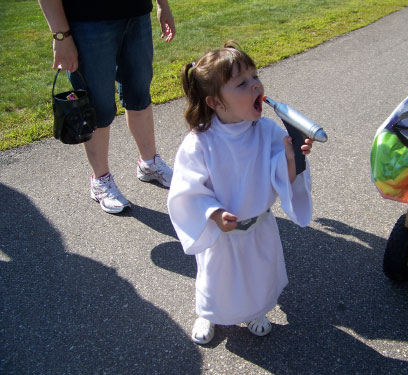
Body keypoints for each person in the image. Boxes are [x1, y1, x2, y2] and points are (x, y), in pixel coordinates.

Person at [167, 42, 314, 345]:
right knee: (216, 280)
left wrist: (291, 157)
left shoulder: (269, 132)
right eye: (242, 83)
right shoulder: (200, 144)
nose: (256, 85)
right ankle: (208, 312)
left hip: (259, 227)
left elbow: (282, 181)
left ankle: (255, 310)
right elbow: (188, 190)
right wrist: (214, 214)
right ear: (216, 102)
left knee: (259, 276)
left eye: (255, 76)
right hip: (222, 234)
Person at [38, 0, 176, 214]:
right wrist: (60, 35)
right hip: (88, 21)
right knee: (97, 106)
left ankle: (149, 164)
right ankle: (101, 180)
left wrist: (163, 5)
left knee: (139, 95)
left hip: (136, 13)